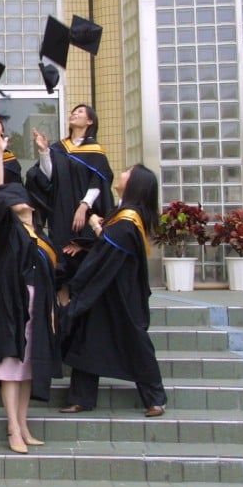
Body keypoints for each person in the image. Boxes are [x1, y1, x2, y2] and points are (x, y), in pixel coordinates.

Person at [57, 164, 167, 418]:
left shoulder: (130, 218)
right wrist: (85, 246)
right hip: (104, 291)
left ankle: (154, 398)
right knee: (88, 339)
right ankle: (80, 397)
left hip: (122, 293)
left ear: (135, 183)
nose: (122, 174)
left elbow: (110, 245)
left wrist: (96, 225)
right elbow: (106, 247)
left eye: (127, 172)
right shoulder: (122, 213)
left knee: (136, 343)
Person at [0, 180, 59, 455]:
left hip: (38, 303)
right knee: (11, 369)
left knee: (27, 371)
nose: (21, 201)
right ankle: (12, 426)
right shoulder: (6, 231)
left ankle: (24, 425)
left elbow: (50, 275)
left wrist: (51, 309)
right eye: (14, 199)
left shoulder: (42, 237)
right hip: (10, 304)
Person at [29, 104, 113, 276]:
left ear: (90, 121)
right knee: (61, 262)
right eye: (73, 111)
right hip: (61, 210)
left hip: (87, 213)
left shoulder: (95, 150)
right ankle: (63, 301)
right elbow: (49, 177)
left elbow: (99, 182)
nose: (74, 114)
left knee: (84, 262)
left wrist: (83, 207)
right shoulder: (60, 148)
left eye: (80, 112)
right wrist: (44, 151)